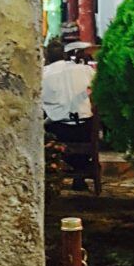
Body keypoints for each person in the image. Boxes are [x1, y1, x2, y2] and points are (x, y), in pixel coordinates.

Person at [43, 39, 95, 190]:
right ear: (65, 55)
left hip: (60, 130)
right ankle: (82, 168)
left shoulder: (43, 75)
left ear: (47, 56)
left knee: (46, 134)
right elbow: (96, 86)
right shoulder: (84, 70)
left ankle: (53, 176)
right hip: (86, 127)